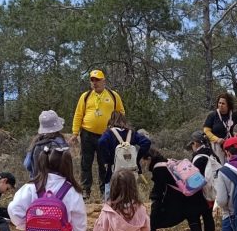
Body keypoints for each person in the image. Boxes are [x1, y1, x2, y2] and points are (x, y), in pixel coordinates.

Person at [70, 70, 125, 199]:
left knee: (104, 164)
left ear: (104, 81)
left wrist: (119, 128)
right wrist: (75, 133)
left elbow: (121, 112)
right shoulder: (86, 96)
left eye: (97, 80)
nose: (95, 83)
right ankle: (85, 191)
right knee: (85, 163)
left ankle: (104, 192)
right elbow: (78, 114)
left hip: (106, 136)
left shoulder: (113, 95)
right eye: (92, 80)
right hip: (87, 134)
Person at [144, 147, 205, 231]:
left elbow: (159, 191)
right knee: (195, 224)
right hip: (192, 197)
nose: (144, 164)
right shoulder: (169, 162)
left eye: (145, 161)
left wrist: (155, 201)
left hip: (179, 203)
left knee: (156, 217)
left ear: (149, 159)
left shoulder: (158, 169)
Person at [97, 111, 152, 198]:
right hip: (130, 172)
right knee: (130, 198)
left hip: (113, 171)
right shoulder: (131, 132)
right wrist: (137, 158)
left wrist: (107, 159)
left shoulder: (109, 133)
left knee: (111, 199)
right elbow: (146, 142)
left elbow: (101, 142)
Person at [188, 132, 219, 231]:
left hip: (200, 192)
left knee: (195, 217)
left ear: (195, 143)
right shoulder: (212, 153)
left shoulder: (198, 157)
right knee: (208, 216)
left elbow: (193, 176)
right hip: (211, 191)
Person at [24, 110, 68, 179]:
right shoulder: (61, 141)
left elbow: (27, 164)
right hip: (58, 183)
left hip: (38, 183)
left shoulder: (36, 141)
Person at [203, 92, 237, 161]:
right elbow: (206, 131)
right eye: (219, 103)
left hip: (232, 147)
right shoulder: (212, 115)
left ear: (228, 105)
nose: (220, 105)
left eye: (223, 103)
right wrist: (217, 139)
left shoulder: (235, 116)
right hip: (217, 147)